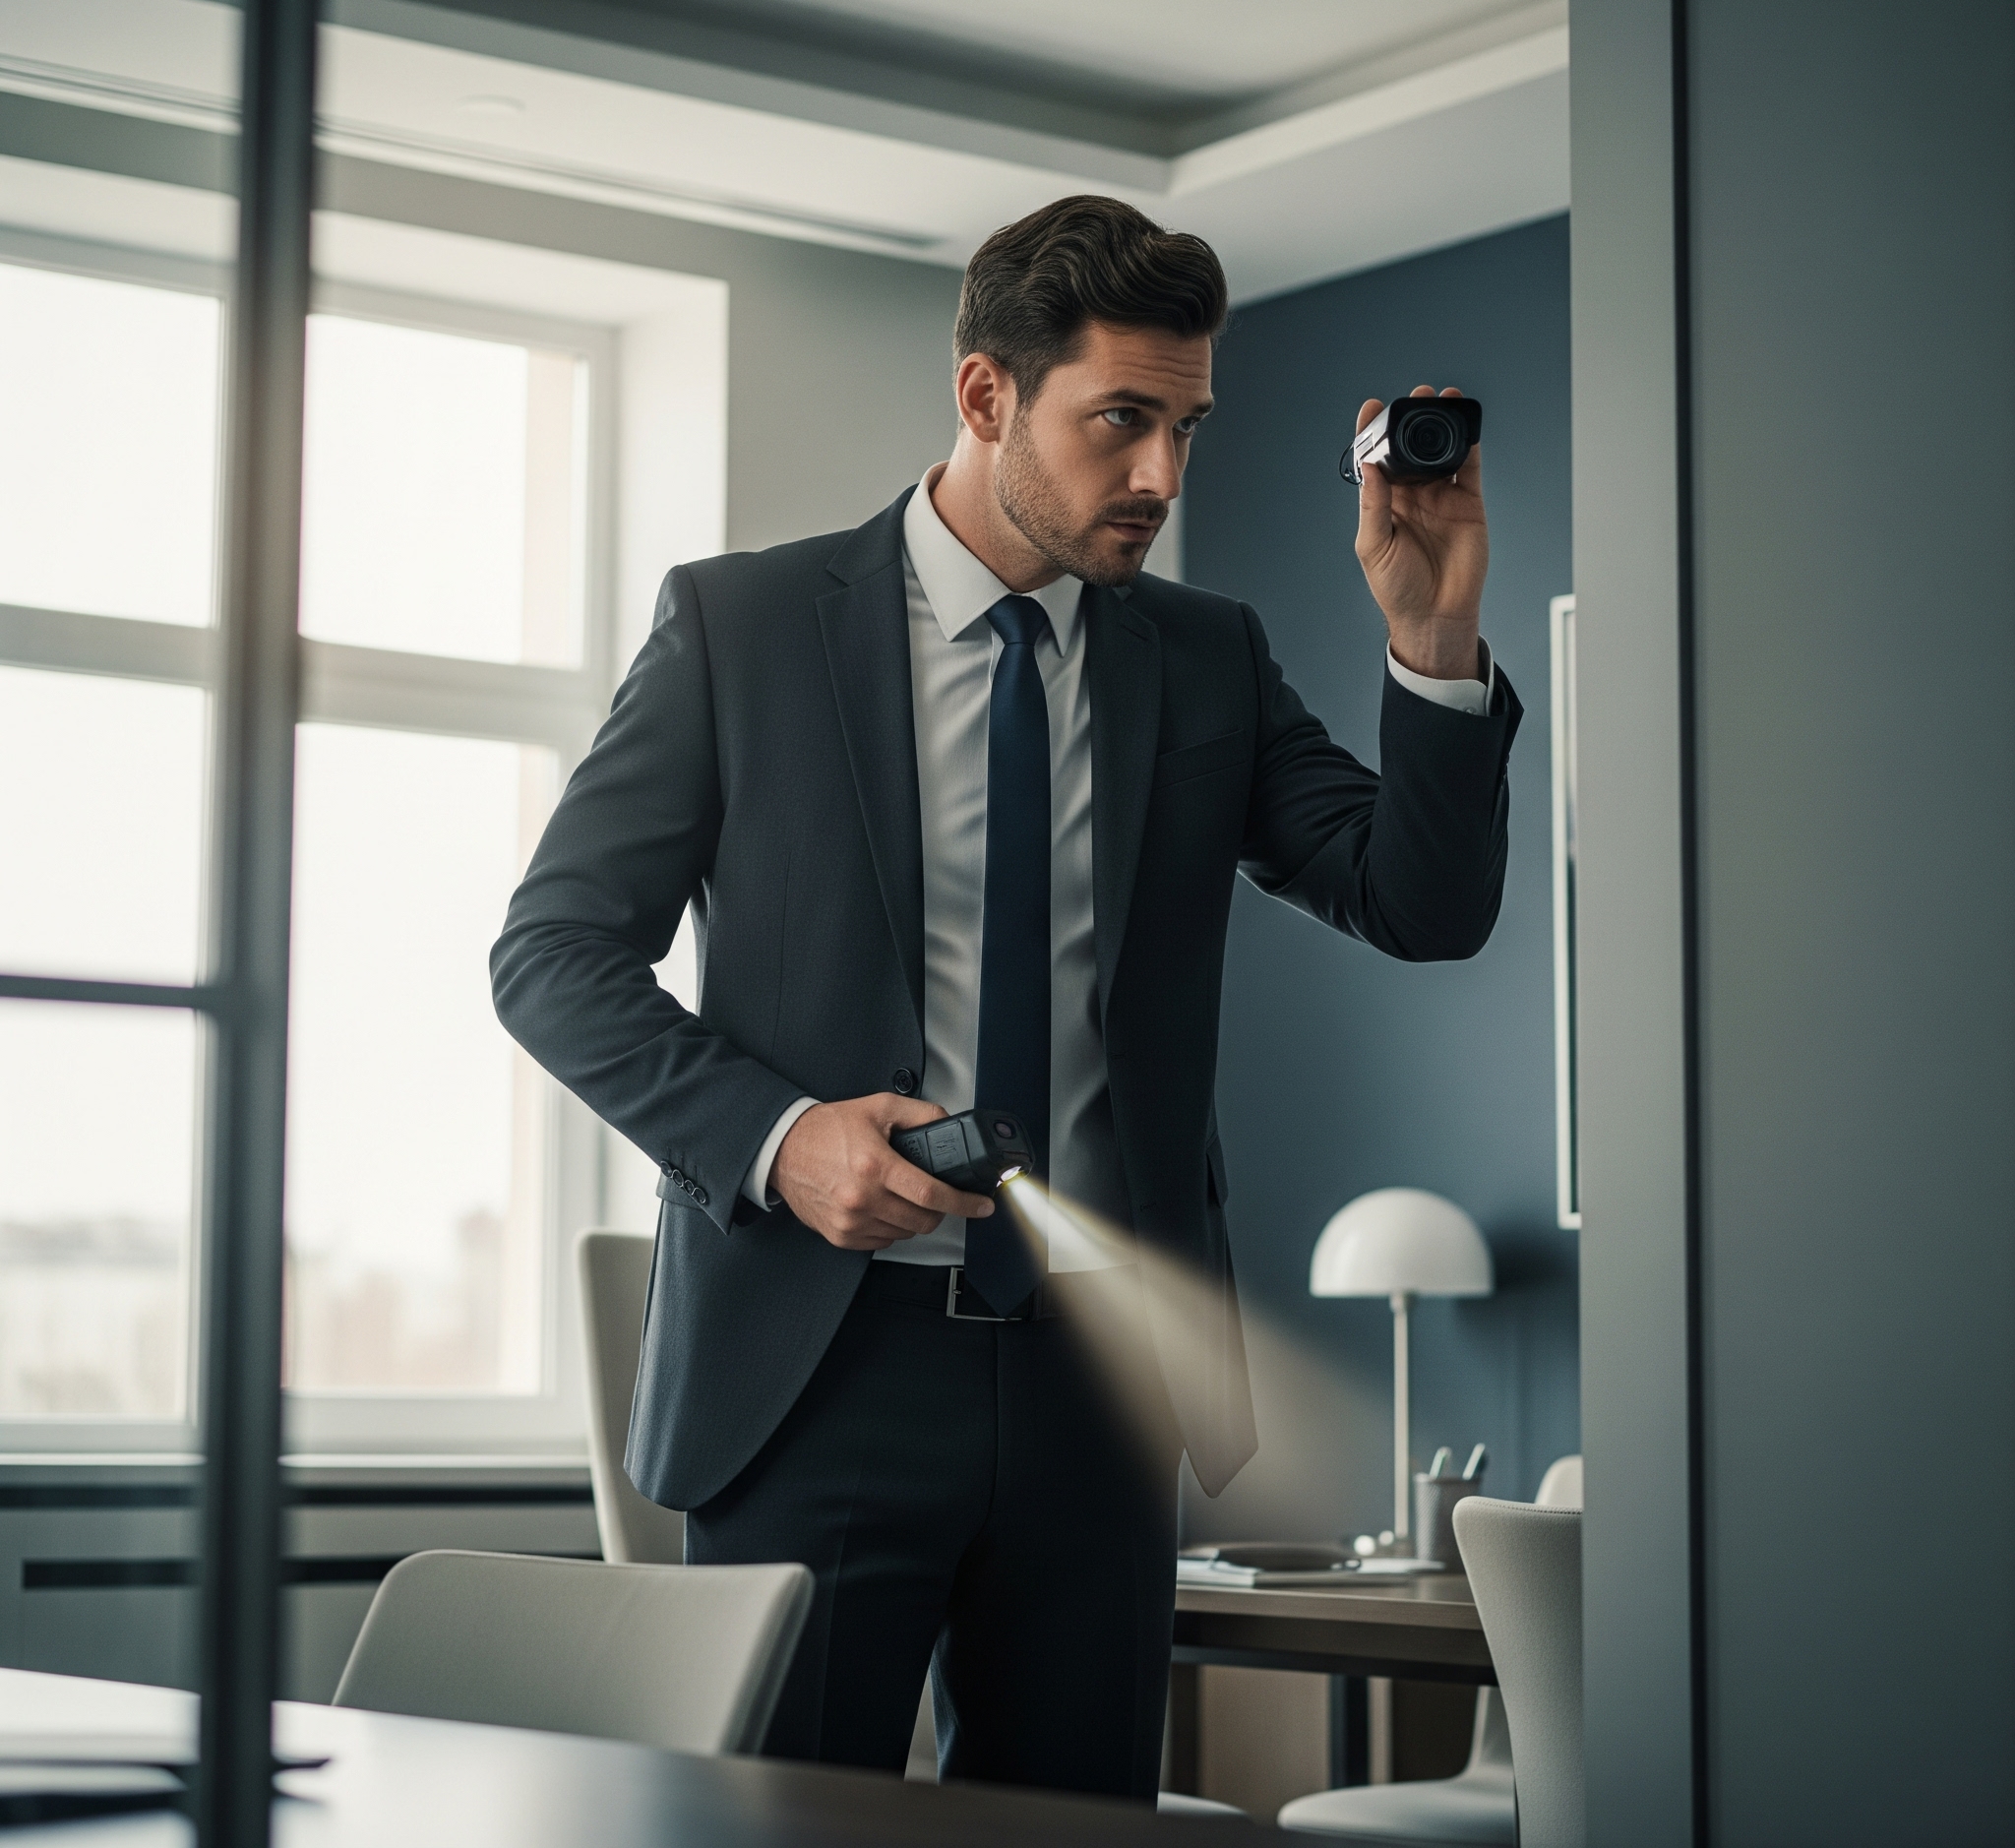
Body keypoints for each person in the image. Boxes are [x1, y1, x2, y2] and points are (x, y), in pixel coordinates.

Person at [491, 195, 1519, 1799]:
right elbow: (552, 954)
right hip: (817, 1370)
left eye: (1187, 427)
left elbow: (1421, 904)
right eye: (1121, 420)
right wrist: (782, 1138)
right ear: (986, 395)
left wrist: (1434, 636)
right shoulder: (741, 629)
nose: (1164, 474)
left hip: (1104, 1381)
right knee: (775, 1828)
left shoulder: (1205, 658)